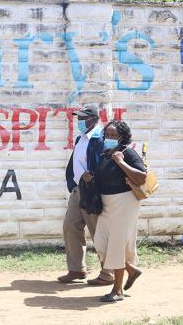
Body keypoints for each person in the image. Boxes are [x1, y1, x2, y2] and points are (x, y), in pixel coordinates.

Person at [58, 104, 114, 285]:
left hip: (92, 191)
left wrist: (95, 179)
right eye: (78, 118)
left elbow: (107, 163)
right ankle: (76, 269)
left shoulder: (101, 138)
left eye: (83, 118)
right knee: (70, 226)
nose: (79, 121)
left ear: (94, 119)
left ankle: (108, 272)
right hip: (77, 189)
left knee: (98, 231)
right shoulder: (80, 138)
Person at [93, 120, 147, 302]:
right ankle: (130, 269)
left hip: (124, 203)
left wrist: (121, 162)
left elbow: (142, 177)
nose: (109, 138)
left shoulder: (127, 153)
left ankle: (117, 291)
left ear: (123, 137)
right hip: (107, 205)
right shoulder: (106, 153)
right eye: (107, 135)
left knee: (116, 246)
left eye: (114, 135)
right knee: (101, 243)